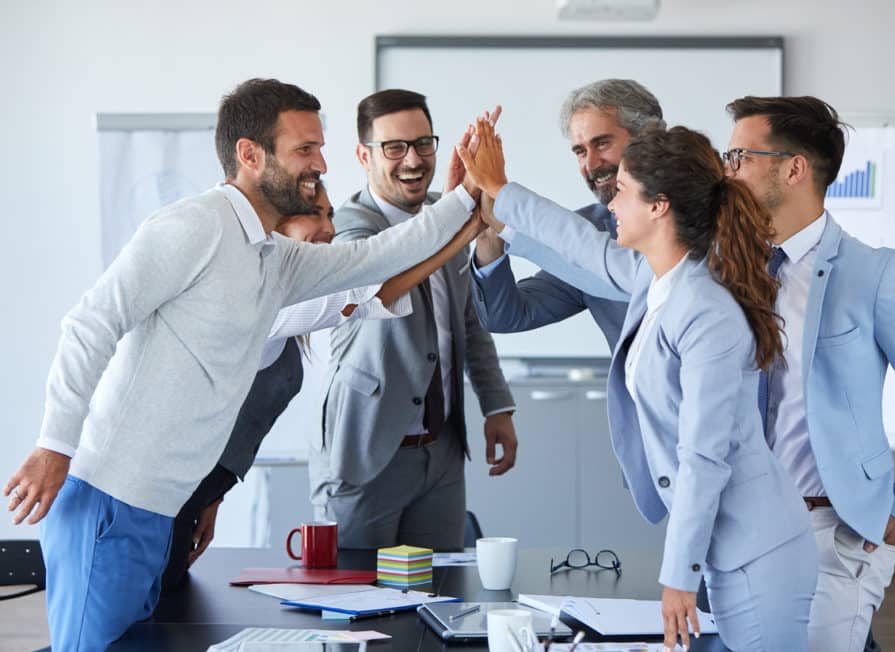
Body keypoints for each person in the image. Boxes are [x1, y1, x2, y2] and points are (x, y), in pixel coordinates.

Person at [3, 78, 478, 651]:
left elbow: (377, 258)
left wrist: (465, 200)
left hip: (158, 509)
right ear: (249, 154)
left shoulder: (273, 258)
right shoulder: (192, 226)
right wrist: (56, 443)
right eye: (304, 149)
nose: (320, 164)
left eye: (320, 148)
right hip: (111, 501)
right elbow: (90, 323)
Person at [458, 119, 816, 651]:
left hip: (760, 554)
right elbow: (579, 247)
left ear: (658, 206)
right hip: (732, 546)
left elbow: (703, 458)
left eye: (622, 191)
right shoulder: (662, 279)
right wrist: (500, 205)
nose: (611, 206)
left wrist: (677, 578)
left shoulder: (705, 310)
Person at [724, 95, 895, 651]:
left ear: (793, 168)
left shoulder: (873, 273)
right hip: (742, 527)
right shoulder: (729, 268)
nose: (727, 169)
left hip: (833, 531)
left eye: (740, 155)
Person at [162, 185, 486, 588]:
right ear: (274, 226)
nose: (329, 228)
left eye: (330, 215)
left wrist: (213, 493)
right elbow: (377, 292)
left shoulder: (287, 297)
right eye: (313, 215)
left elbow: (231, 415)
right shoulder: (263, 297)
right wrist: (457, 233)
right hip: (159, 491)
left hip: (192, 489)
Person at [310, 89, 516, 551]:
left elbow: (468, 318)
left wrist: (496, 404)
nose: (413, 160)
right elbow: (388, 273)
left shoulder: (448, 212)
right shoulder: (346, 225)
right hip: (366, 450)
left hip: (441, 453)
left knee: (439, 601)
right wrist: (462, 210)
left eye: (424, 144)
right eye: (394, 147)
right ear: (364, 155)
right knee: (358, 606)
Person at [469, 79, 666, 349]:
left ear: (648, 139)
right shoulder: (593, 225)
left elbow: (623, 270)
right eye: (580, 151)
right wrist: (490, 237)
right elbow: (506, 316)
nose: (591, 164)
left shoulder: (698, 216)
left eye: (602, 144)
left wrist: (503, 203)